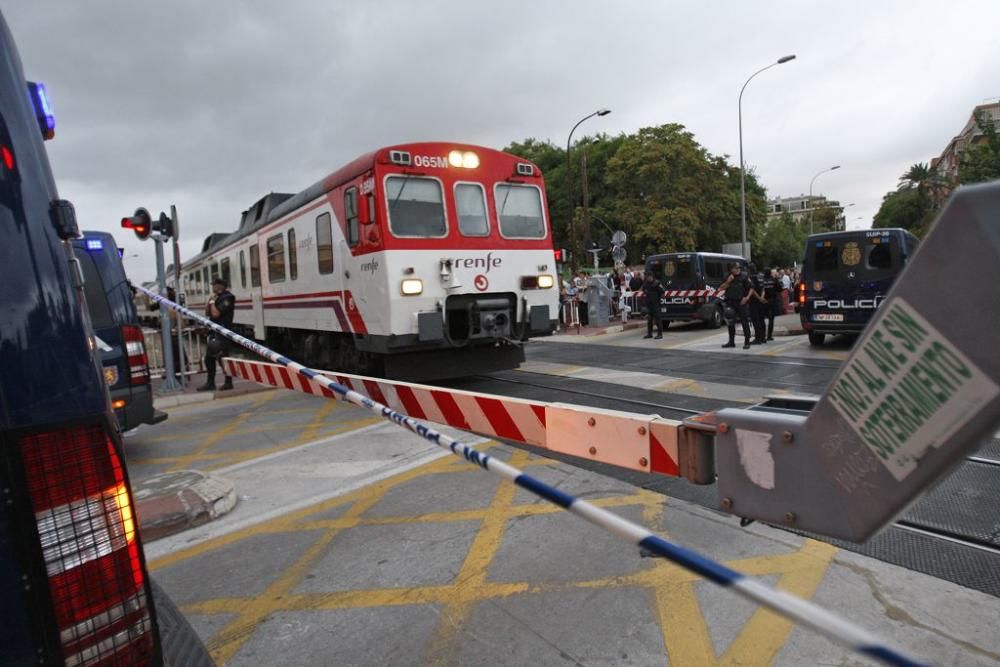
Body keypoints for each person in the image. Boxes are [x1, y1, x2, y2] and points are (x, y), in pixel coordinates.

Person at [197, 278, 236, 391]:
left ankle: (212, 383)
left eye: (214, 285)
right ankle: (226, 382)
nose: (212, 287)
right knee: (220, 358)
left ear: (220, 286)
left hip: (223, 333)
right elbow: (207, 312)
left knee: (212, 358)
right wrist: (210, 300)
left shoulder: (228, 297)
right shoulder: (217, 297)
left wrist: (213, 302)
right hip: (216, 332)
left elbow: (215, 314)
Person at [717, 263, 753, 349]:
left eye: (739, 268)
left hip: (742, 302)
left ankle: (747, 342)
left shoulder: (744, 276)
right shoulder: (727, 276)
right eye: (736, 268)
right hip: (730, 302)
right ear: (731, 269)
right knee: (730, 322)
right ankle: (731, 341)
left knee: (744, 322)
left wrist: (747, 298)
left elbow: (751, 288)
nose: (738, 270)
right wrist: (728, 281)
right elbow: (721, 288)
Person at [642, 271, 665, 340]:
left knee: (658, 320)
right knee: (649, 320)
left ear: (652, 276)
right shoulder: (646, 284)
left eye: (649, 277)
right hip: (649, 304)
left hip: (656, 304)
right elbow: (643, 290)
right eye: (647, 277)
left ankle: (660, 334)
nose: (648, 278)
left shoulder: (657, 283)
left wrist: (658, 298)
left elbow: (663, 292)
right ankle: (649, 333)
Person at [747, 264, 767, 344]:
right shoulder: (760, 276)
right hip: (761, 301)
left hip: (754, 301)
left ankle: (758, 339)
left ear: (749, 269)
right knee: (761, 320)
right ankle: (763, 337)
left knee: (756, 320)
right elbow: (763, 288)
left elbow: (752, 290)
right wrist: (762, 298)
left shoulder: (751, 278)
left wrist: (759, 298)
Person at [761, 268, 779, 341]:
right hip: (772, 301)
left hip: (763, 301)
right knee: (771, 319)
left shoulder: (762, 280)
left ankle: (763, 336)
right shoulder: (774, 280)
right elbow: (780, 289)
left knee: (762, 319)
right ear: (770, 273)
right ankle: (769, 336)